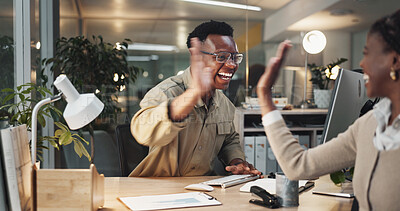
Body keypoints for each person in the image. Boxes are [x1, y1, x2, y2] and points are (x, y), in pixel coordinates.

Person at [257, 10, 400, 210]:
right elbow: (298, 165)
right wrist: (265, 98)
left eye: (367, 53)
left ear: (394, 61)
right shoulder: (370, 124)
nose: (361, 63)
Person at [130, 20, 261, 177]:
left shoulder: (224, 103)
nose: (232, 65)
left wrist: (237, 162)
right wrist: (193, 94)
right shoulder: (166, 92)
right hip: (159, 188)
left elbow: (229, 140)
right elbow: (142, 132)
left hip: (203, 188)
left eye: (234, 57)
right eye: (221, 57)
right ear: (197, 56)